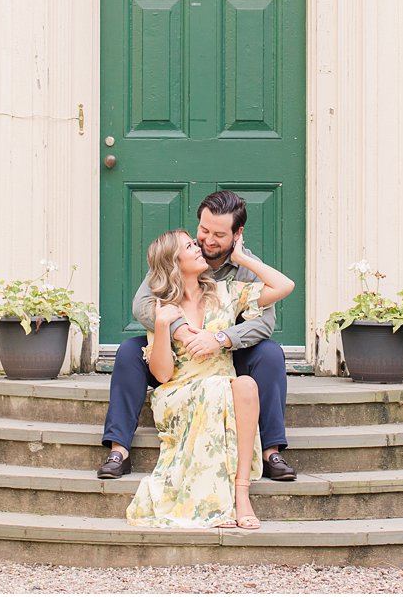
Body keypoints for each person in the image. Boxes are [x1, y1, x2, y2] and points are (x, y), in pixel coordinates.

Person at [97, 191, 298, 484]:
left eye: (218, 234)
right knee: (129, 351)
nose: (207, 240)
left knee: (270, 354)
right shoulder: (182, 253)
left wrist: (220, 338)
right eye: (203, 230)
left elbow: (264, 324)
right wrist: (177, 327)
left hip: (226, 355)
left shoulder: (246, 269)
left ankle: (271, 451)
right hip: (176, 355)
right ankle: (119, 449)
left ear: (237, 233)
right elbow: (143, 304)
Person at [123, 228, 295, 528]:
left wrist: (243, 258)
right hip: (180, 391)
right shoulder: (163, 307)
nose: (199, 247)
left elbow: (284, 285)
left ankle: (241, 494)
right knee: (219, 390)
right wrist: (163, 328)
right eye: (189, 246)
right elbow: (162, 374)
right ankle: (219, 502)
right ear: (174, 262)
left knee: (246, 384)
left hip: (222, 385)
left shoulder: (225, 292)